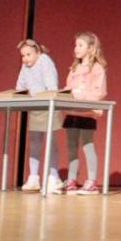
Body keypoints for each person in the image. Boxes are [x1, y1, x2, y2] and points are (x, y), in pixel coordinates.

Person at [52, 31, 107, 196]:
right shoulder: (74, 67)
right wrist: (65, 94)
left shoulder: (97, 68)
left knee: (87, 145)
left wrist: (80, 96)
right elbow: (69, 86)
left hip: (86, 112)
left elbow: (99, 91)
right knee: (71, 147)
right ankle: (71, 179)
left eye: (80, 45)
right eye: (76, 45)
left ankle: (91, 181)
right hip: (72, 112)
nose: (76, 48)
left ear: (90, 48)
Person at [14, 39, 64, 192]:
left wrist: (48, 99)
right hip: (36, 107)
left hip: (48, 106)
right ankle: (34, 177)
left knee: (50, 143)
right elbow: (20, 85)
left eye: (28, 54)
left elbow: (52, 86)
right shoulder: (25, 66)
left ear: (38, 52)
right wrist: (20, 94)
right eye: (23, 56)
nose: (25, 59)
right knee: (35, 143)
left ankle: (53, 178)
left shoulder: (45, 61)